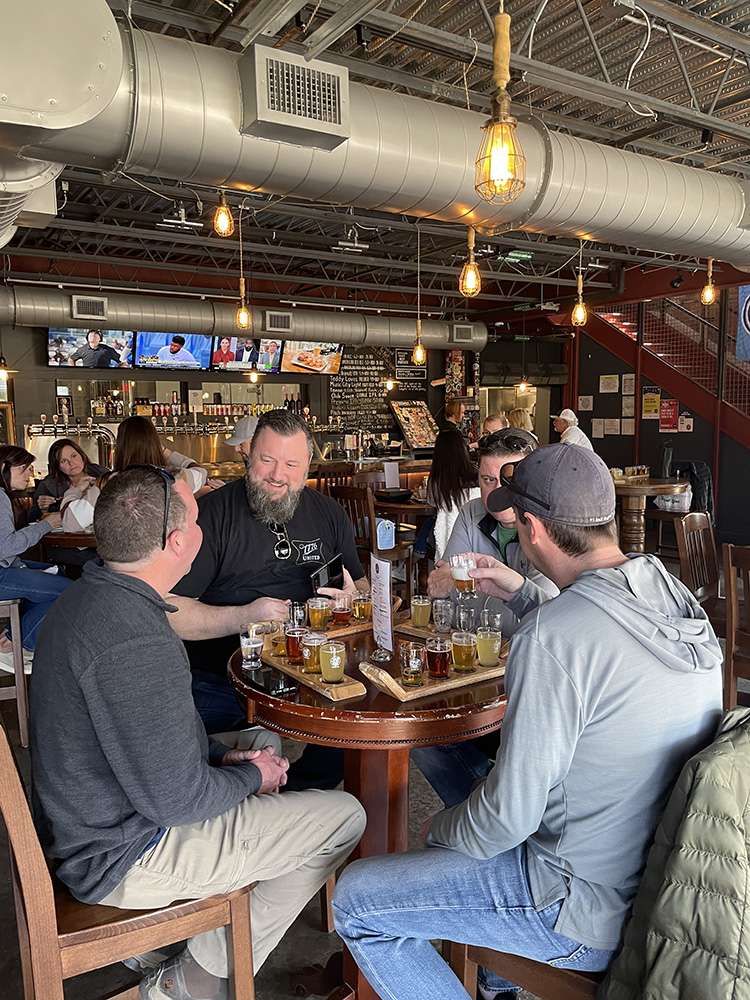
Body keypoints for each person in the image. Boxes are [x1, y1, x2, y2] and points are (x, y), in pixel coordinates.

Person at [333, 443, 723, 1000]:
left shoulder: (555, 639)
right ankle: (496, 985)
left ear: (533, 529)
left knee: (357, 898)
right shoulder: (670, 592)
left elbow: (503, 823)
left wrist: (436, 833)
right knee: (460, 779)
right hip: (663, 887)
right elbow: (596, 630)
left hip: (576, 908)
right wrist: (524, 592)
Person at [31, 467, 366, 1000]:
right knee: (346, 817)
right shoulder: (138, 640)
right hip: (122, 853)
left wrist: (233, 763)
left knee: (260, 743)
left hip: (96, 815)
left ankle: (166, 943)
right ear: (177, 541)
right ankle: (193, 980)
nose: (205, 524)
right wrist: (248, 782)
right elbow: (177, 799)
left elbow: (141, 739)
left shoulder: (89, 598)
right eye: (197, 515)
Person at [169, 408, 368, 786]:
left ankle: (296, 797)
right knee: (198, 756)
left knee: (354, 736)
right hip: (221, 676)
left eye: (291, 464)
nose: (278, 475)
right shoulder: (211, 516)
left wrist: (351, 601)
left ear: (308, 463)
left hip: (313, 675)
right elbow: (170, 610)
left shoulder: (329, 513)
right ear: (247, 454)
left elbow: (358, 588)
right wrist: (244, 617)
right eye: (267, 460)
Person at [419, 428, 558, 807]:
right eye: (486, 479)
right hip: (473, 663)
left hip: (527, 673)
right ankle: (482, 809)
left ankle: (486, 810)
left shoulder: (549, 524)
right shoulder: (471, 512)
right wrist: (491, 585)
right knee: (420, 733)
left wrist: (487, 581)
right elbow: (439, 583)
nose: (495, 491)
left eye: (506, 479)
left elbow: (552, 613)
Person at [0, 445, 69, 670]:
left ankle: (19, 636)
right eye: (24, 468)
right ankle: (16, 644)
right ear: (3, 468)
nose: (30, 473)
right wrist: (46, 524)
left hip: (7, 568)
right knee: (70, 591)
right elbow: (6, 546)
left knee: (56, 571)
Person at [428, 430, 480, 561]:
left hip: (445, 538)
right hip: (476, 535)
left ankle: (416, 561)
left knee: (426, 527)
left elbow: (432, 502)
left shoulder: (436, 478)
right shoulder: (475, 474)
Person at [31, 438, 106, 519]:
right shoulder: (48, 485)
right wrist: (43, 510)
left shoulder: (101, 473)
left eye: (74, 456)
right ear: (57, 466)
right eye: (63, 461)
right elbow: (32, 518)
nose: (71, 463)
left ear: (82, 455)